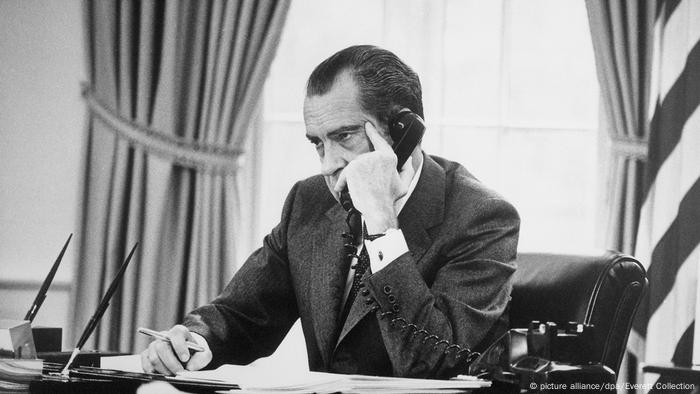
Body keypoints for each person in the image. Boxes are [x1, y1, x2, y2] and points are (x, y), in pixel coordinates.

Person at [141, 45, 520, 379]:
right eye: (318, 144)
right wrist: (194, 341)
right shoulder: (309, 201)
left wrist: (382, 224)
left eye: (344, 137)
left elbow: (431, 362)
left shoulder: (482, 218)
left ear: (404, 131)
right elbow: (244, 315)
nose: (328, 164)